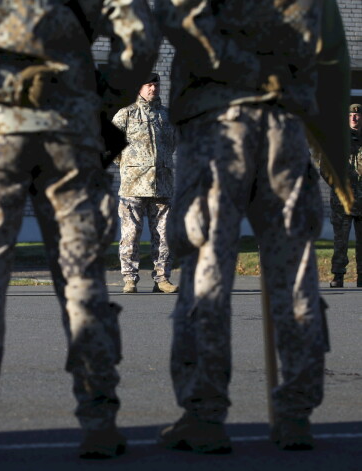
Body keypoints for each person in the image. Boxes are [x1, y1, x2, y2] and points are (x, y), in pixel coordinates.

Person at [0, 0, 159, 462]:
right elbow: (139, 32)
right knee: (83, 279)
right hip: (74, 130)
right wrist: (97, 93)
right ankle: (100, 422)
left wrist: (1, 85)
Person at [154, 0, 345, 453]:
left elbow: (183, 21)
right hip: (286, 122)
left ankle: (204, 413)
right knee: (295, 273)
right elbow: (330, 54)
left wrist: (244, 70)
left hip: (218, 121)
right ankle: (295, 413)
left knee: (208, 269)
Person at [112, 73, 177, 294]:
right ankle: (130, 279)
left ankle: (162, 279)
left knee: (165, 234)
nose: (153, 89)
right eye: (148, 84)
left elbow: (171, 145)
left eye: (156, 85)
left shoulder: (167, 116)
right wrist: (133, 166)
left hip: (163, 185)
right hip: (133, 186)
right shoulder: (126, 114)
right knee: (130, 235)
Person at [328, 104, 362, 288]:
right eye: (351, 115)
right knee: (340, 240)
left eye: (357, 116)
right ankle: (338, 275)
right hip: (342, 201)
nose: (354, 118)